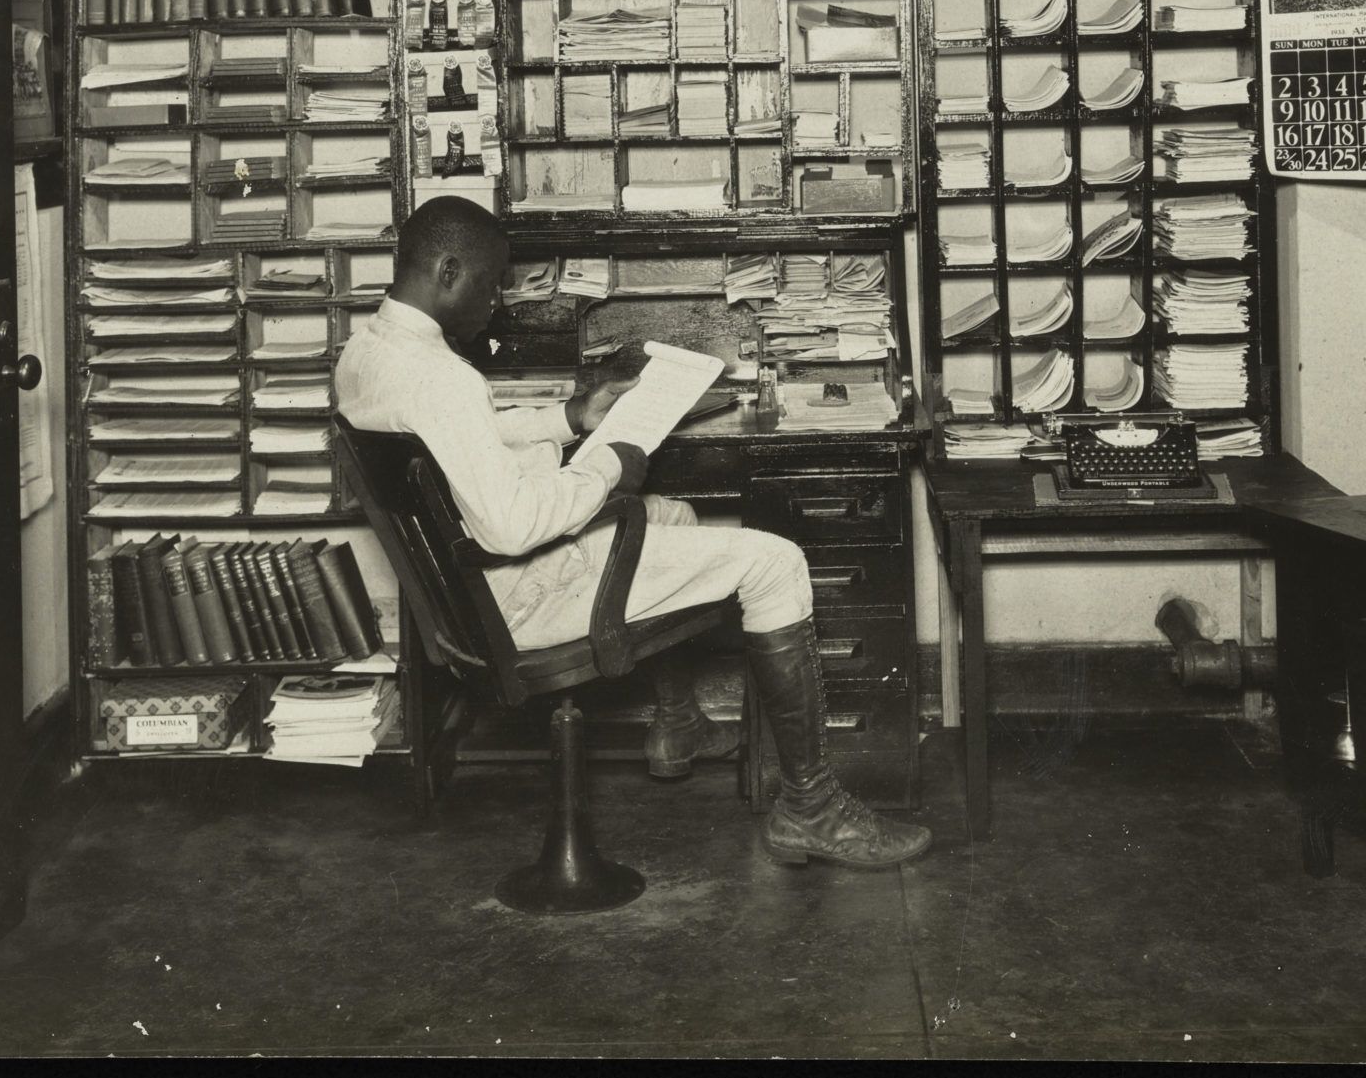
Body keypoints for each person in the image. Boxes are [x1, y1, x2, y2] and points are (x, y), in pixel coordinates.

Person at [334, 196, 931, 870]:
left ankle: (679, 724)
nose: (498, 301)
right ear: (447, 270)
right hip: (515, 601)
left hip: (463, 604)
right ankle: (810, 808)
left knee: (667, 513)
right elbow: (508, 526)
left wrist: (571, 415)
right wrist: (609, 471)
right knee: (778, 562)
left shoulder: (367, 353)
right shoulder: (443, 376)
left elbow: (462, 438)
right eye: (492, 280)